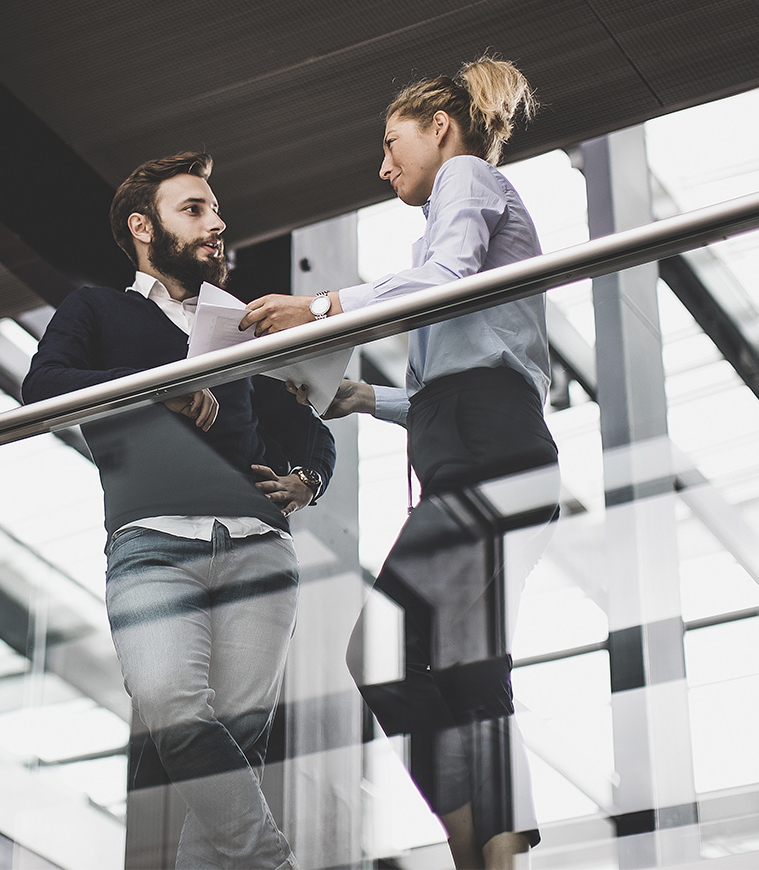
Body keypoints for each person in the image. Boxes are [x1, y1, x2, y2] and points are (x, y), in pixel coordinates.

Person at [239, 57, 560, 869]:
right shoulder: (449, 224)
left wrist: (320, 307)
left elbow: (443, 280)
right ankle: (495, 857)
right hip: (486, 448)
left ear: (440, 129)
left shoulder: (466, 179)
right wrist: (360, 399)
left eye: (391, 144)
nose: (383, 167)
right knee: (471, 670)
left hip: (486, 455)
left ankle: (462, 834)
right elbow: (451, 378)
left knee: (379, 649)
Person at [23, 151, 336, 870]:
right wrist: (154, 385)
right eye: (194, 209)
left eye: (214, 209)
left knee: (233, 754)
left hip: (258, 547)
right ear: (143, 227)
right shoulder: (98, 310)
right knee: (171, 704)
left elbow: (306, 432)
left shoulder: (240, 324)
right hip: (152, 547)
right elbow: (42, 390)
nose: (217, 222)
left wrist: (308, 481)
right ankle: (272, 863)